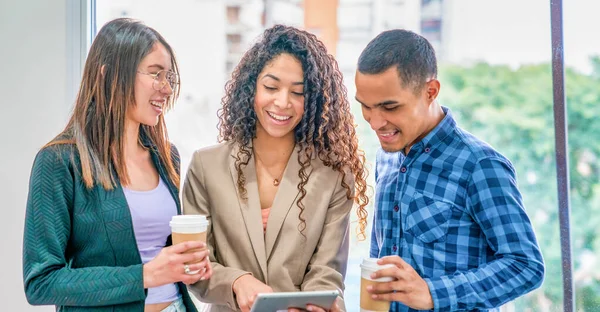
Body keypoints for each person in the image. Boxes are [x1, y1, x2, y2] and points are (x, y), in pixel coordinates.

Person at [22, 18, 212, 312]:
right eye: (155, 74)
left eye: (170, 77)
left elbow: (166, 253)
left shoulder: (166, 156)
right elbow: (42, 282)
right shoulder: (59, 161)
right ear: (108, 74)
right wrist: (145, 276)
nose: (166, 88)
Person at [354, 29, 545, 311]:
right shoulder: (388, 156)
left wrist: (432, 293)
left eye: (390, 107)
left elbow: (525, 265)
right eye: (366, 107)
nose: (375, 122)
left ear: (430, 91)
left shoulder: (479, 165)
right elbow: (383, 254)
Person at [182, 25, 369, 312]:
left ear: (315, 101)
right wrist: (235, 282)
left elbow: (327, 272)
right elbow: (195, 264)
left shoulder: (333, 176)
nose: (283, 102)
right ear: (251, 88)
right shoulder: (207, 167)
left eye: (298, 92)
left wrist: (319, 303)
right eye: (271, 87)